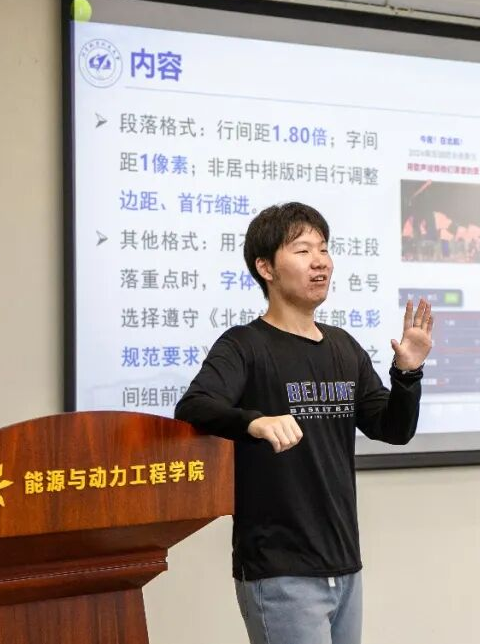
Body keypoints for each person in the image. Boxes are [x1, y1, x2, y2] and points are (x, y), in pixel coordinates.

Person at [175, 202, 433, 644]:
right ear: (266, 268)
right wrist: (254, 422)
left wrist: (407, 373)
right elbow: (194, 406)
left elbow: (392, 428)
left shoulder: (343, 347)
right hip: (280, 569)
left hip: (344, 563)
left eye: (324, 249)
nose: (320, 262)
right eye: (302, 250)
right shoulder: (244, 346)